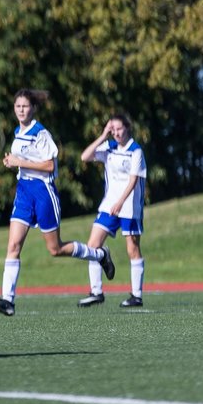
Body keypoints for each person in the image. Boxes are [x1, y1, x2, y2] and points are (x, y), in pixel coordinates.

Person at [0, 89, 114, 317]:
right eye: (18, 106)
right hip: (24, 192)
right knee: (13, 246)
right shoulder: (18, 131)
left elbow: (49, 166)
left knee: (55, 249)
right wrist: (13, 162)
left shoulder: (41, 133)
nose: (21, 110)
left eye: (25, 106)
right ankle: (8, 300)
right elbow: (23, 161)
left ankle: (100, 255)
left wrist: (20, 161)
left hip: (44, 192)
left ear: (33, 108)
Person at [76, 113, 147, 308]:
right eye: (112, 129)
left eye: (118, 128)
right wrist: (102, 136)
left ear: (127, 128)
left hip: (129, 207)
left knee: (132, 249)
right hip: (109, 205)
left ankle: (136, 295)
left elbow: (133, 180)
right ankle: (96, 292)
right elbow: (85, 156)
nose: (115, 132)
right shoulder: (109, 147)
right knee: (92, 245)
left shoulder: (136, 151)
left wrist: (121, 202)